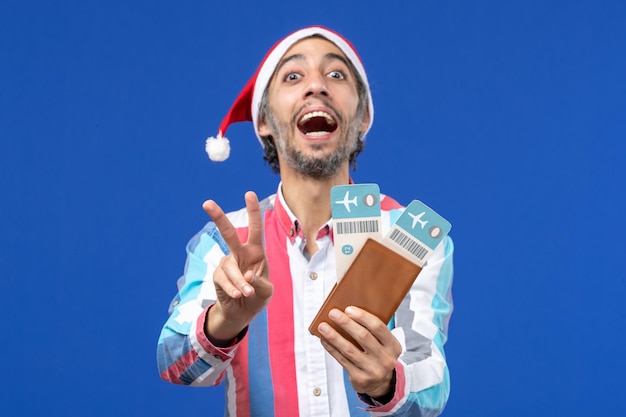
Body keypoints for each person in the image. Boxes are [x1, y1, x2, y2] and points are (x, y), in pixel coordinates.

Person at [156, 26, 454, 416]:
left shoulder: (409, 236)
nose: (317, 86)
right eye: (293, 76)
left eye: (336, 74)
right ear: (263, 120)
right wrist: (225, 320)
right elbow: (176, 366)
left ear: (363, 117)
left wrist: (386, 383)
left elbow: (431, 390)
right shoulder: (222, 244)